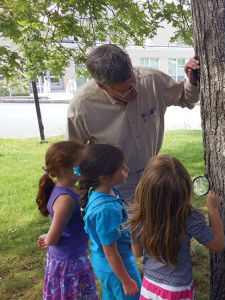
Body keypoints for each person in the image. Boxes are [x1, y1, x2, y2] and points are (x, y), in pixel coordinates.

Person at [67, 44, 200, 201]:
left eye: (134, 82)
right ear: (102, 86)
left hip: (152, 172)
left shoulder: (152, 80)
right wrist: (77, 184)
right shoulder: (82, 105)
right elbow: (74, 151)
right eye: (124, 90)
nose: (134, 92)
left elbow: (186, 99)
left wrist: (192, 81)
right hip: (114, 181)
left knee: (157, 221)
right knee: (124, 223)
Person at [128, 154, 225, 299]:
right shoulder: (190, 218)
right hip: (177, 291)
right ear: (185, 190)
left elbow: (137, 253)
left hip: (150, 286)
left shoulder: (137, 216)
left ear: (145, 188)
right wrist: (213, 210)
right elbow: (218, 245)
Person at [78, 144, 142, 300]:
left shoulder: (101, 190)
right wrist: (126, 281)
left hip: (105, 263)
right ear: (103, 178)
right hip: (118, 267)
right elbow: (111, 252)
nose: (126, 169)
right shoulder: (106, 210)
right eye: (121, 168)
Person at [36, 141, 98, 300]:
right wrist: (47, 237)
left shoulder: (71, 188)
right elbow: (53, 238)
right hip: (69, 264)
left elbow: (61, 225)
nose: (86, 166)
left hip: (74, 256)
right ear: (63, 170)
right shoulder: (66, 200)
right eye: (81, 164)